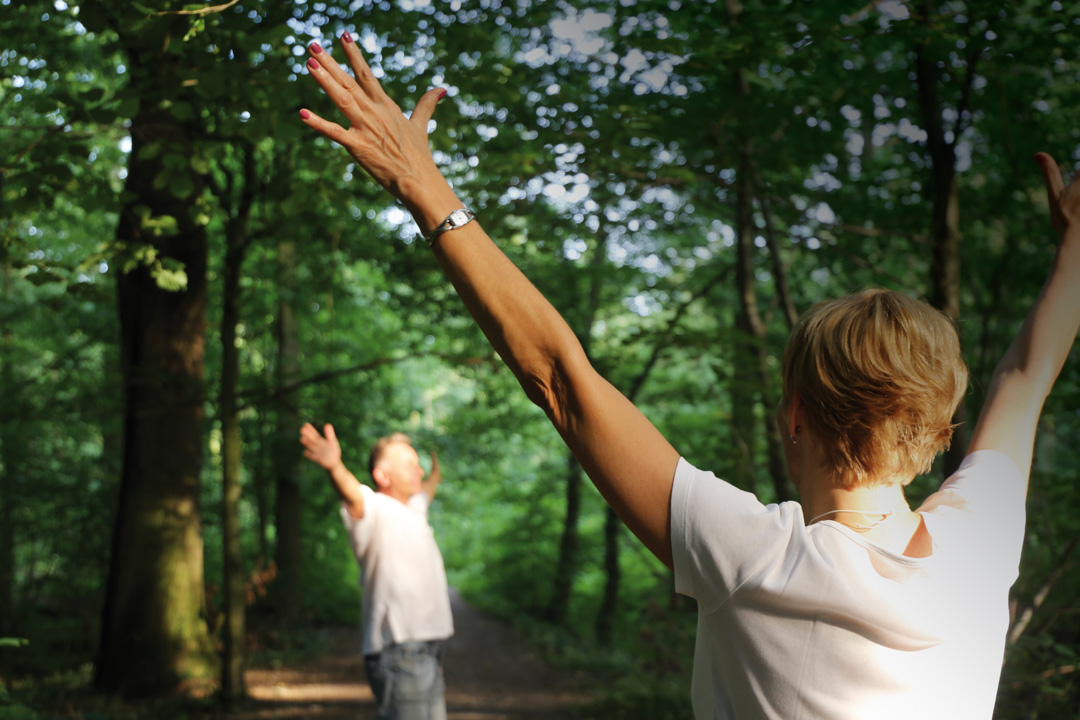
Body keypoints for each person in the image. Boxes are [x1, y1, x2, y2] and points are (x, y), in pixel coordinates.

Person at [297, 34, 1080, 719]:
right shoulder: (980, 543)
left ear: (796, 415)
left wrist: (423, 186)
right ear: (942, 429)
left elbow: (562, 381)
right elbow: (1026, 372)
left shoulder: (755, 559)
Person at [300, 423, 453, 720]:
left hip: (432, 650)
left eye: (418, 466)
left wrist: (436, 471)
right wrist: (334, 466)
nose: (418, 472)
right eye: (410, 466)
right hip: (400, 652)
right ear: (383, 475)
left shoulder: (415, 508)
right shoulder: (374, 508)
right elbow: (352, 493)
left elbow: (430, 486)